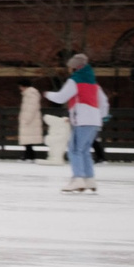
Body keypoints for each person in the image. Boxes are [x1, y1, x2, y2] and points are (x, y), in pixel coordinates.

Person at [47, 53, 109, 193]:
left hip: (83, 119)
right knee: (84, 150)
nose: (69, 69)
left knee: (74, 150)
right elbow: (103, 102)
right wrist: (101, 117)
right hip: (93, 121)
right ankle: (89, 179)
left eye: (70, 67)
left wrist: (47, 94)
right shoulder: (94, 82)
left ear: (75, 67)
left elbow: (61, 97)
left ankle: (78, 179)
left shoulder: (75, 80)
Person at [16, 84, 44, 161]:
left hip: (30, 120)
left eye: (21, 86)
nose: (20, 88)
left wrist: (26, 119)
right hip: (29, 120)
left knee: (28, 140)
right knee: (27, 140)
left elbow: (32, 107)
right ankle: (29, 155)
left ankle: (29, 156)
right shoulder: (29, 94)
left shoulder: (31, 94)